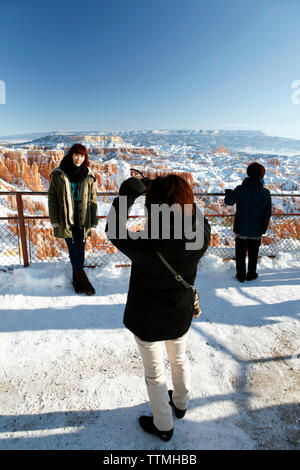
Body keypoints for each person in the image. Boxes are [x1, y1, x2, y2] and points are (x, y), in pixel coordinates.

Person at [105, 174, 211, 441]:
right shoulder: (199, 238)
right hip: (179, 313)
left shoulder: (145, 245)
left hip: (147, 318)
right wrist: (178, 195)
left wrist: (129, 194)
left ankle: (163, 425)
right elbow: (198, 216)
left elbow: (113, 229)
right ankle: (181, 403)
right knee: (179, 359)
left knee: (155, 374)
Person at [48, 143, 98, 295]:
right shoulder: (59, 173)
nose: (79, 158)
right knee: (72, 248)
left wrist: (93, 219)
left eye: (82, 156)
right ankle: (84, 280)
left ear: (85, 158)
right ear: (71, 155)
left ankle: (77, 281)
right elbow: (53, 198)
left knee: (81, 249)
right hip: (66, 218)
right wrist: (55, 220)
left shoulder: (88, 174)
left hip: (83, 218)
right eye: (76, 155)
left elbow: (93, 198)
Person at [224, 162, 272, 282]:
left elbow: (229, 202)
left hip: (241, 227)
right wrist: (263, 228)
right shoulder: (266, 193)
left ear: (248, 174)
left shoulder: (241, 189)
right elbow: (267, 213)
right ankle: (251, 274)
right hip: (256, 229)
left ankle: (240, 275)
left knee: (240, 253)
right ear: (262, 176)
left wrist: (229, 192)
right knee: (253, 253)